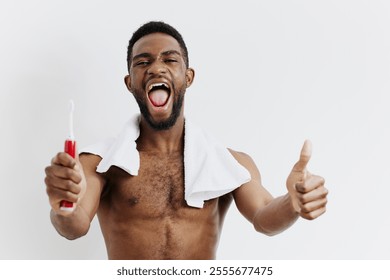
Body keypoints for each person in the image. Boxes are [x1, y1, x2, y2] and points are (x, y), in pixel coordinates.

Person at [44, 21, 328, 260]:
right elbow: (75, 225)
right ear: (130, 82)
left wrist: (292, 202)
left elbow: (264, 217)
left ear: (187, 77)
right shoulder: (99, 162)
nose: (156, 68)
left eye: (170, 59)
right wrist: (62, 206)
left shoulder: (228, 163)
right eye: (142, 62)